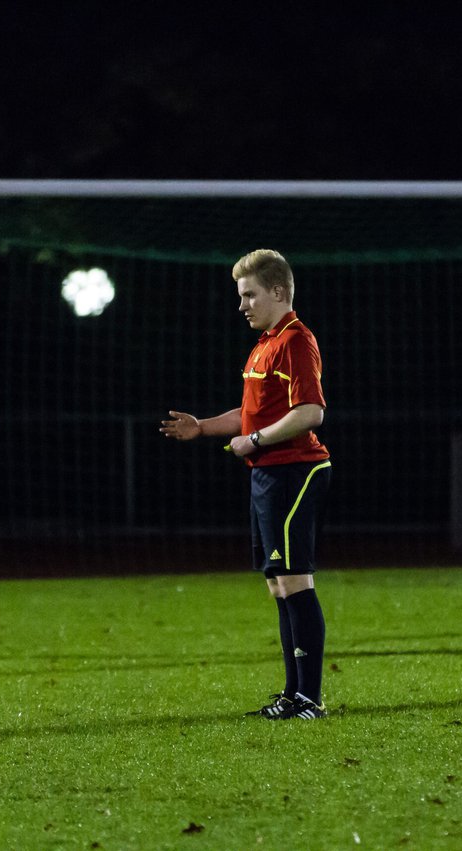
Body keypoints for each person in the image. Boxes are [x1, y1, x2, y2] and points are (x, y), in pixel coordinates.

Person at [160, 249, 331, 720]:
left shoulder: (296, 340)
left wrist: (253, 439)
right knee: (279, 585)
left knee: (296, 580)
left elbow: (310, 413)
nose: (242, 305)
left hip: (295, 469)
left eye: (249, 294)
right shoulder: (264, 344)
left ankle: (309, 699)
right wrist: (204, 427)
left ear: (278, 292)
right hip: (267, 472)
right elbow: (251, 414)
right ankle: (292, 693)